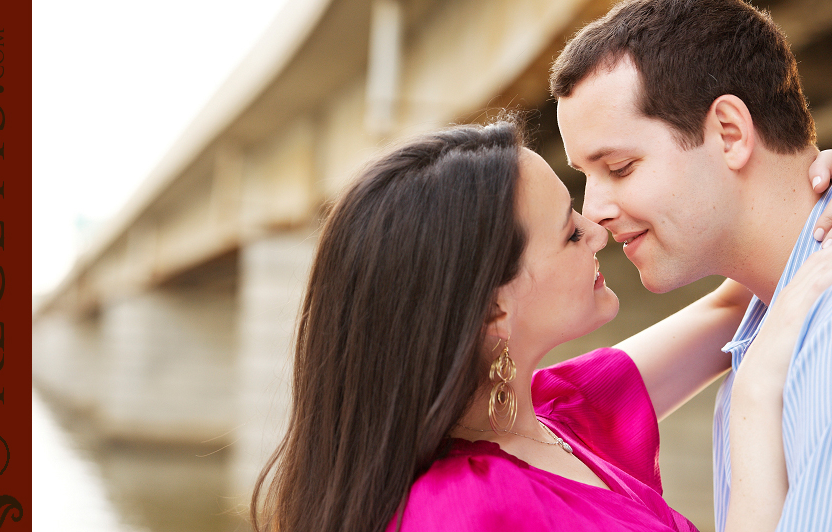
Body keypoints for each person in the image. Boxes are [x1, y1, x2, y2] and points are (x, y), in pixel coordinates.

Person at [248, 117, 832, 532]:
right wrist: (756, 399)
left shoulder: (559, 414)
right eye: (571, 233)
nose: (598, 229)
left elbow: (732, 303)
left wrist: (811, 193)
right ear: (494, 310)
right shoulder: (456, 514)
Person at [549, 1, 832, 530]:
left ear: (728, 132)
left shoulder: (822, 328)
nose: (593, 211)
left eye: (619, 167)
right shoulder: (765, 332)